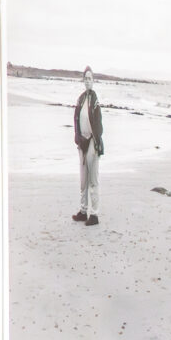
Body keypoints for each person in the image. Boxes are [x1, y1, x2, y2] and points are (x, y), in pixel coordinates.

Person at [72, 67, 105, 226]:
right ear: (83, 80)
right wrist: (78, 139)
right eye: (86, 78)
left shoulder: (95, 100)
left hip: (92, 142)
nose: (88, 81)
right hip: (82, 143)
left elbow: (98, 124)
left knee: (93, 180)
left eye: (90, 78)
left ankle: (95, 215)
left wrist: (97, 143)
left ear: (94, 80)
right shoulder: (81, 99)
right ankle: (83, 211)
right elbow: (76, 120)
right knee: (83, 180)